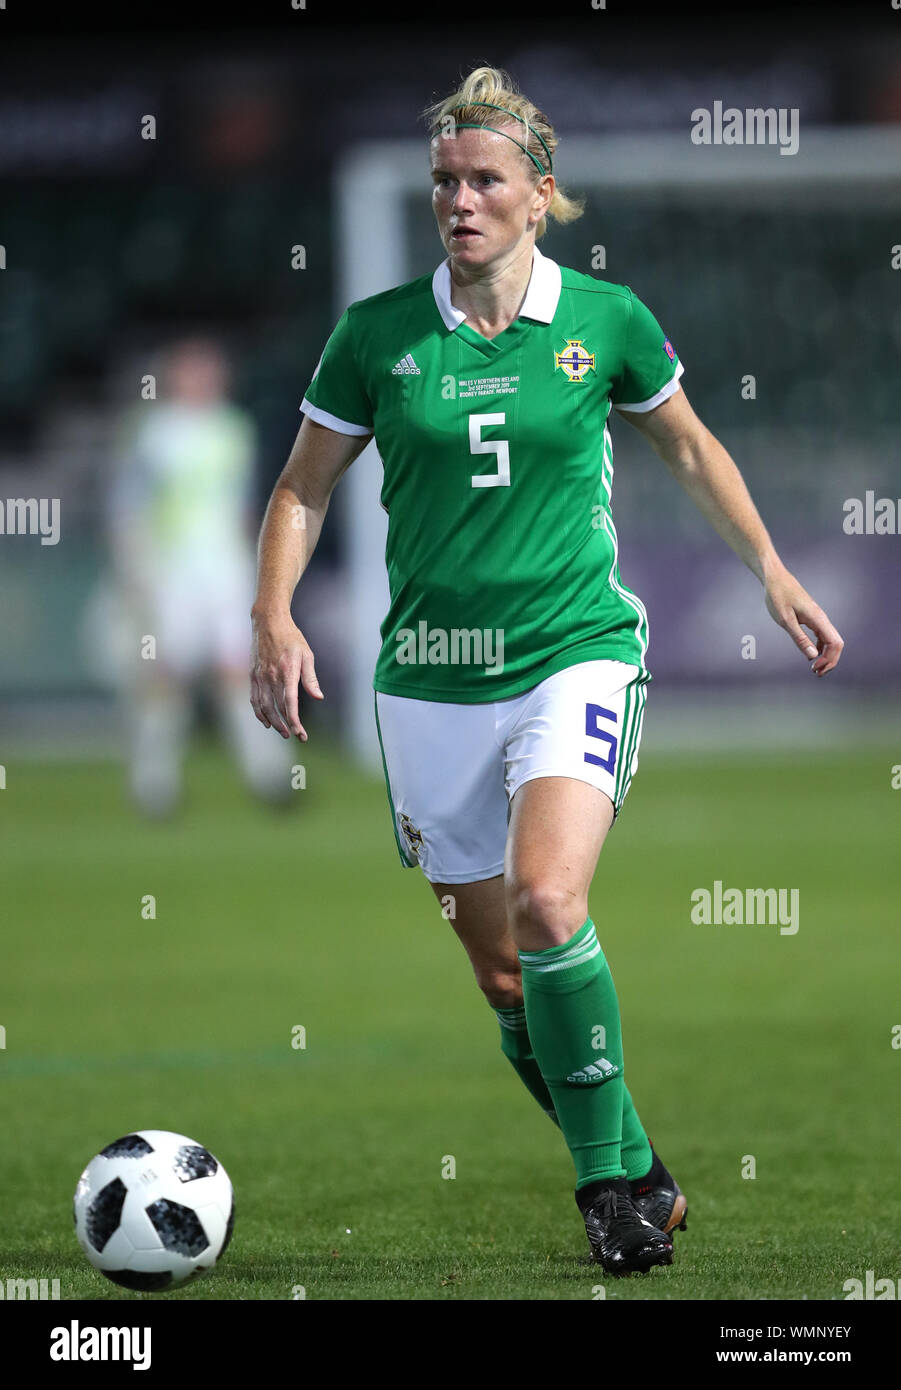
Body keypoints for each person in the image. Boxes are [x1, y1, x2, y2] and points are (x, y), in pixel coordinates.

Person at [249, 66, 843, 1275]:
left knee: (550, 903)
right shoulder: (376, 335)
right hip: (426, 679)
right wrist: (273, 614)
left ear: (540, 196)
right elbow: (303, 487)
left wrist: (771, 570)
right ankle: (636, 1164)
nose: (458, 201)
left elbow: (687, 443)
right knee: (503, 971)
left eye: (484, 181)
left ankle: (602, 1197)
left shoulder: (604, 322)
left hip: (573, 652)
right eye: (444, 182)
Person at [108, 336, 291, 816]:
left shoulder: (234, 428)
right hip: (171, 568)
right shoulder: (152, 432)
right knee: (165, 675)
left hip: (225, 567)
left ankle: (270, 777)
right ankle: (154, 786)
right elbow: (128, 505)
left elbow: (247, 504)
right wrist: (134, 567)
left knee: (239, 669)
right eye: (192, 370)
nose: (203, 379)